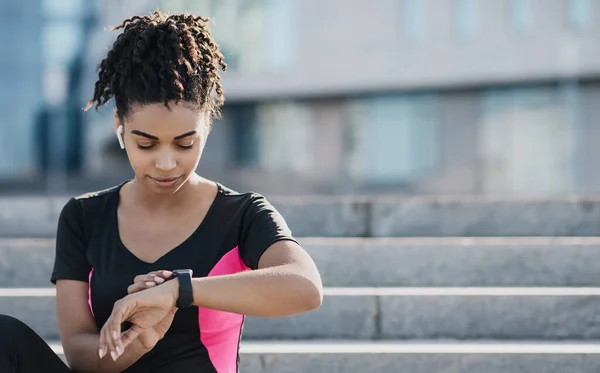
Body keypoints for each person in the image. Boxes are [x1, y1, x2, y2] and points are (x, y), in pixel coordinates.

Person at [0, 11, 323, 373]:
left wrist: (178, 291)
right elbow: (79, 353)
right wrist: (139, 339)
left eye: (184, 144)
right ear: (120, 127)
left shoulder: (243, 214)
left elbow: (305, 286)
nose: (166, 163)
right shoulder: (84, 217)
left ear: (207, 126)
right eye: (147, 145)